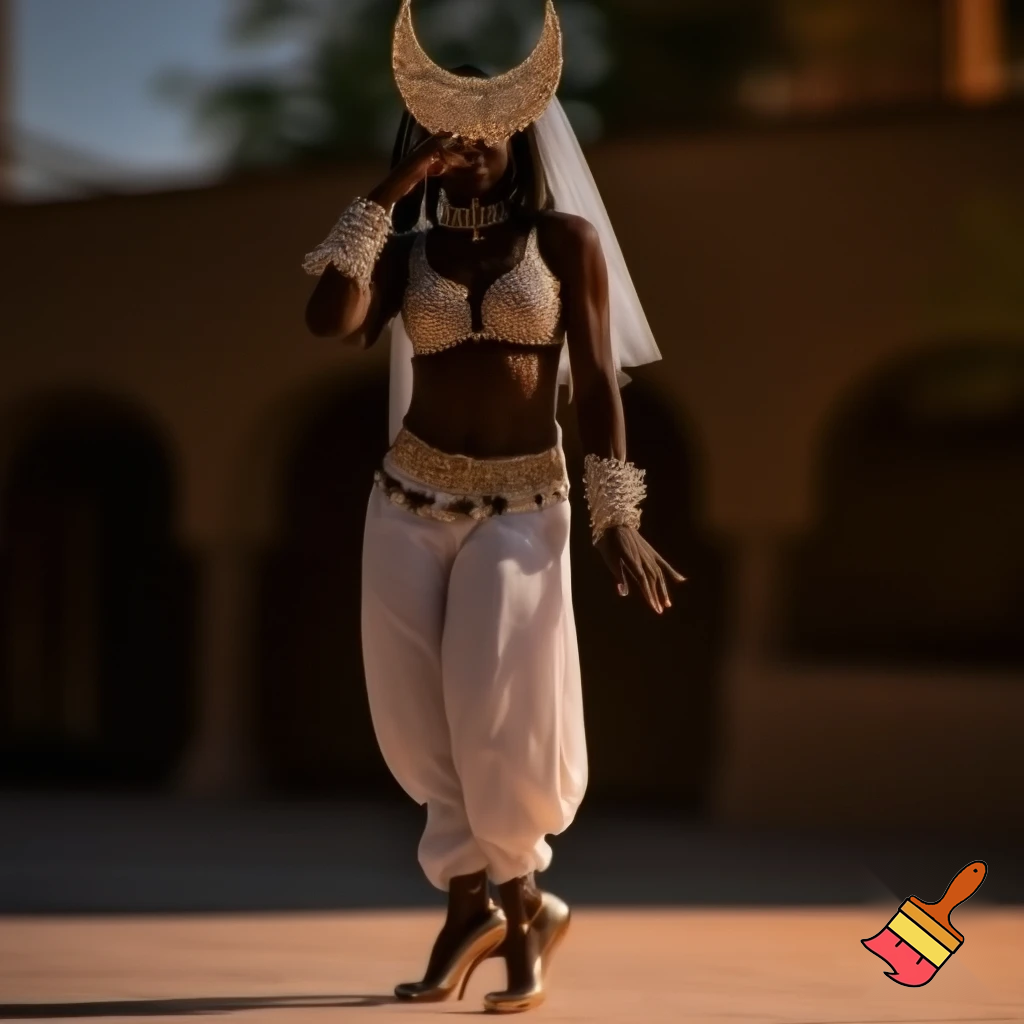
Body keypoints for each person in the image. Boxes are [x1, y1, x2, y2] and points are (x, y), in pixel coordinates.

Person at [302, 0, 684, 1012]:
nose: (468, 146)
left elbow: (594, 384)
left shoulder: (564, 241)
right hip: (406, 499)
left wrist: (616, 514)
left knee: (496, 711)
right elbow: (328, 317)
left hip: (522, 506)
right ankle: (470, 910)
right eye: (446, 131)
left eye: (486, 130)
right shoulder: (406, 251)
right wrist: (393, 190)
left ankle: (523, 909)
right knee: (417, 719)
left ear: (521, 134)